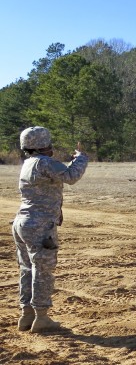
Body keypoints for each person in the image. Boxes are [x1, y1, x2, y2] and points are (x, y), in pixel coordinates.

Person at [12, 126, 88, 333]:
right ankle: (41, 317)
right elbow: (71, 176)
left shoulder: (28, 163)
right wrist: (81, 157)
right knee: (43, 271)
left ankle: (26, 315)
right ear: (44, 144)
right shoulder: (44, 162)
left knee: (27, 269)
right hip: (40, 225)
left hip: (22, 222)